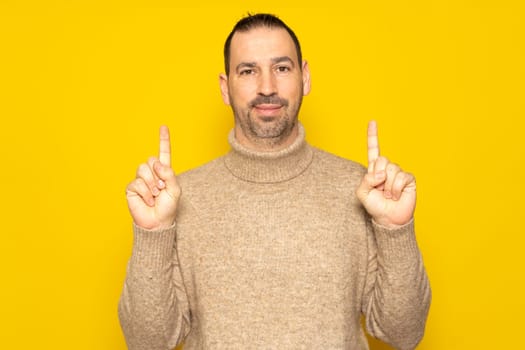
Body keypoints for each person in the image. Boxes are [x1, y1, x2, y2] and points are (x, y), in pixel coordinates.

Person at [119, 13, 431, 350]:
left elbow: (404, 333)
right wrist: (152, 235)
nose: (267, 87)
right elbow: (145, 342)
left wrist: (395, 230)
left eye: (282, 68)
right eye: (248, 71)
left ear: (305, 77)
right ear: (225, 88)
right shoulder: (178, 199)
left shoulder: (364, 190)